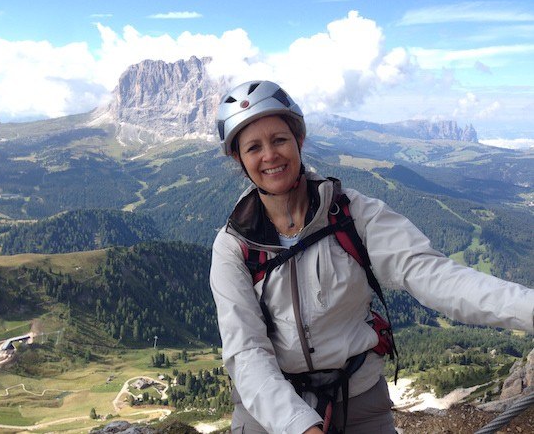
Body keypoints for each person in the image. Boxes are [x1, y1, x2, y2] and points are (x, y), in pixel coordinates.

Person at [209, 80, 534, 434]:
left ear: (299, 141)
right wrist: (299, 426)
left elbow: (435, 276)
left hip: (359, 403)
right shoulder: (232, 247)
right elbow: (246, 351)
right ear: (239, 160)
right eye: (253, 147)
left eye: (279, 140)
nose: (270, 155)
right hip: (267, 410)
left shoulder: (354, 215)